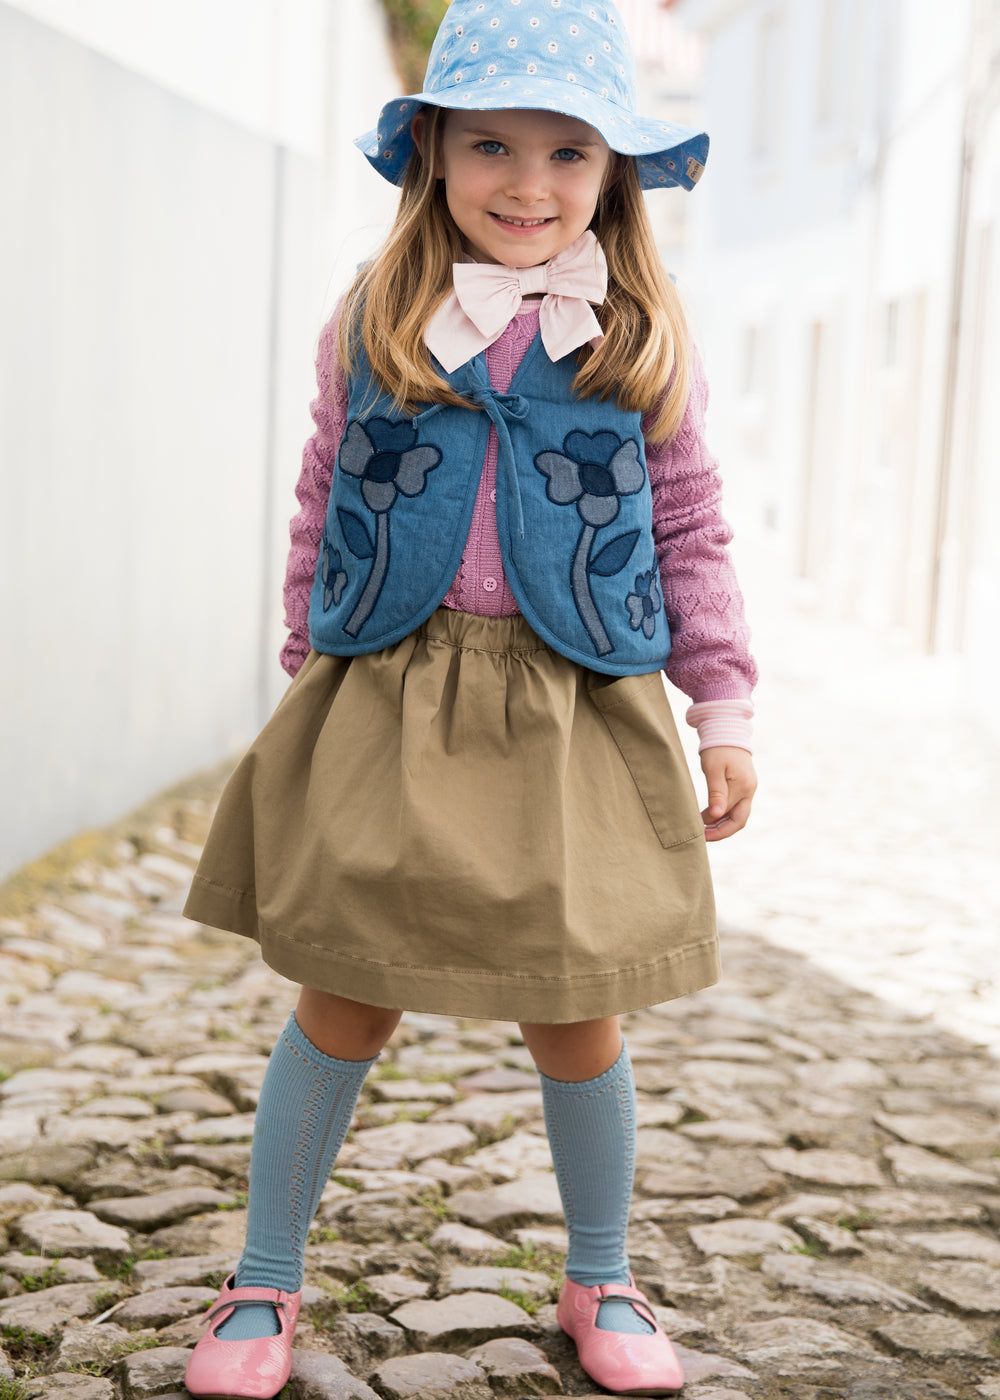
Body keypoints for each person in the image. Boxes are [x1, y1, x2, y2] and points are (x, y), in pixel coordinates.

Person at [182, 2, 757, 1396]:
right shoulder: (376, 320)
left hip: (575, 712)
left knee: (578, 1008)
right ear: (432, 151)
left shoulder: (638, 337)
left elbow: (690, 527)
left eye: (567, 152)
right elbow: (323, 496)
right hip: (390, 693)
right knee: (344, 990)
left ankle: (601, 1271)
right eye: (491, 144)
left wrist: (722, 707)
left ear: (612, 173)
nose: (527, 182)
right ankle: (263, 1277)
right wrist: (306, 666)